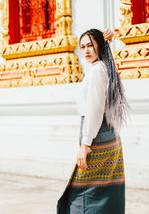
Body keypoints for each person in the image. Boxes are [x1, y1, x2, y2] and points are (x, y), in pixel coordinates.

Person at [57, 29, 129, 214]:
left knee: (81, 195)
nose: (86, 51)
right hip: (109, 136)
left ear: (99, 46)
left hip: (97, 136)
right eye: (82, 47)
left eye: (90, 45)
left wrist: (85, 143)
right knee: (104, 192)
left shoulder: (98, 71)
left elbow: (95, 110)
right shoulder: (105, 67)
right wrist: (105, 42)